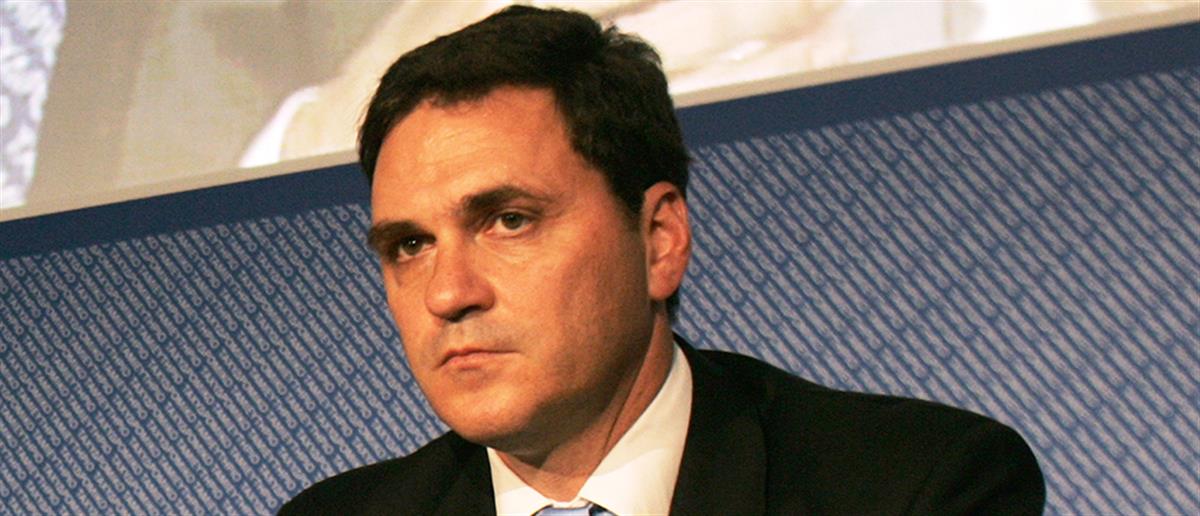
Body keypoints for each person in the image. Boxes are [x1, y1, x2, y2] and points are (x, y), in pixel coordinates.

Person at [280, 6, 1044, 515]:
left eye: (509, 221)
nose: (448, 293)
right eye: (410, 246)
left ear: (658, 239)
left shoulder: (913, 487)